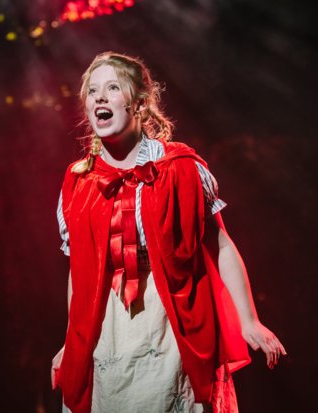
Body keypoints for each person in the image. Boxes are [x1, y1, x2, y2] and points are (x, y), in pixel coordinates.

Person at [51, 52, 286, 413]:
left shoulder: (180, 169)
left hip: (170, 320)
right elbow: (79, 270)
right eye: (93, 91)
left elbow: (221, 244)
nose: (99, 96)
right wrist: (73, 339)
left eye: (113, 87)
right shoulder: (78, 181)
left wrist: (249, 320)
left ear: (139, 105)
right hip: (107, 327)